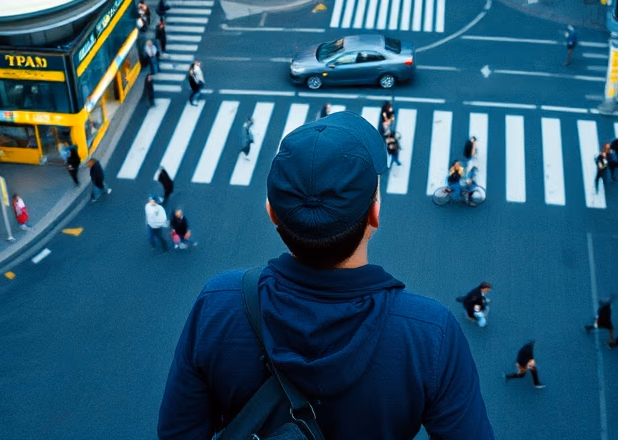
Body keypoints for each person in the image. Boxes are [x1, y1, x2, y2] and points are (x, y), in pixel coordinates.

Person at [157, 111, 493, 438]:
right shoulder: (430, 334)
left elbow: (177, 430)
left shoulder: (219, 303)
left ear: (272, 214)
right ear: (374, 215)